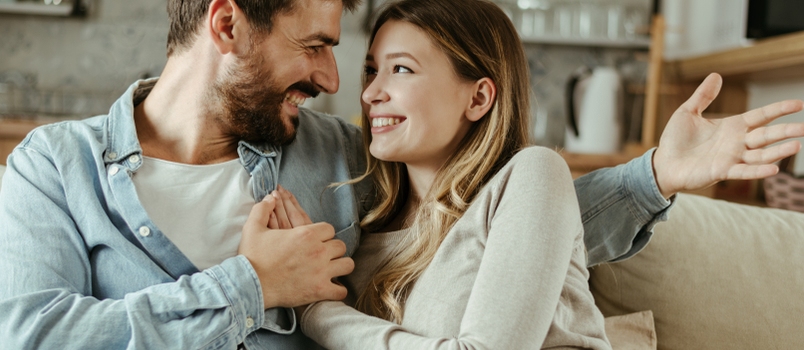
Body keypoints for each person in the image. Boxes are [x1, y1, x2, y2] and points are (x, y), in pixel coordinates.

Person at [0, 0, 801, 348]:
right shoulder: (57, 166)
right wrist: (253, 286)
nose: (338, 81)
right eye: (315, 46)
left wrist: (654, 174)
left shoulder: (336, 157)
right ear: (226, 24)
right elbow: (31, 336)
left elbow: (484, 226)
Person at [248, 0, 804, 348]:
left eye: (400, 69)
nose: (370, 93)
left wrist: (317, 310)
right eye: (372, 71)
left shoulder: (532, 177)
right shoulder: (365, 228)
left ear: (479, 96)